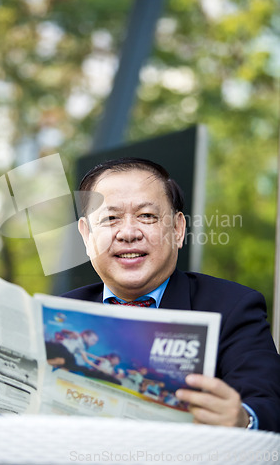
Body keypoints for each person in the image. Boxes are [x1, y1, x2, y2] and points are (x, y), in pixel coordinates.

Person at [62, 157, 280, 432]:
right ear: (86, 236)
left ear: (178, 229)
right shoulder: (59, 315)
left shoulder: (233, 308)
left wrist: (242, 420)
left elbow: (268, 405)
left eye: (147, 216)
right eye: (110, 218)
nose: (128, 233)